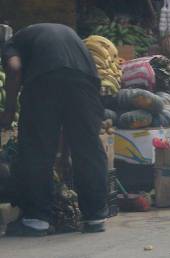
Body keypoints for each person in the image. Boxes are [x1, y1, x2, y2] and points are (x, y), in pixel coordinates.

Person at [1, 23, 108, 236]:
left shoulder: (11, 43)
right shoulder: (55, 32)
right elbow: (70, 125)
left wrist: (10, 110)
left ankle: (36, 220)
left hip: (44, 80)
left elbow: (14, 68)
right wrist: (64, 154)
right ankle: (95, 216)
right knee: (88, 147)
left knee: (36, 149)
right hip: (85, 81)